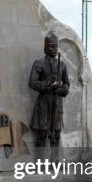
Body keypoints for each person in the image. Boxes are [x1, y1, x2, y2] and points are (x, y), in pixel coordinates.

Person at [29, 31, 70, 159]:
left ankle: (55, 161)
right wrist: (47, 86)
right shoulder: (39, 63)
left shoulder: (62, 65)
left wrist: (61, 89)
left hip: (57, 103)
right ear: (45, 47)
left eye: (56, 46)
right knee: (42, 134)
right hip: (44, 104)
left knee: (56, 134)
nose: (54, 49)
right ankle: (40, 163)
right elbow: (32, 82)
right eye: (51, 46)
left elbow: (67, 84)